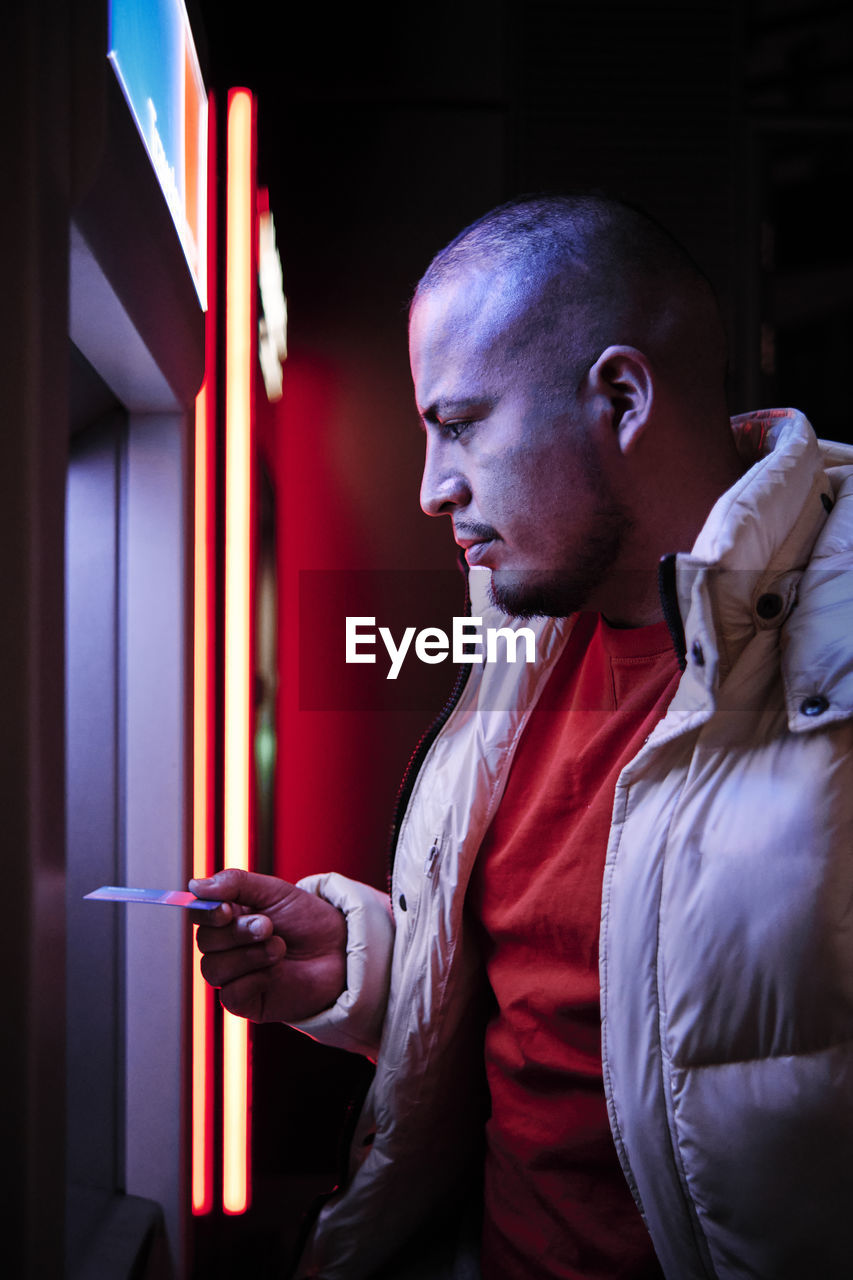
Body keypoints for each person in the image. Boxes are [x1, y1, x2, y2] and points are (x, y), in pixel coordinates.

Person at [190, 194, 853, 1280]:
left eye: (458, 422)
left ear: (622, 397)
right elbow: (597, 992)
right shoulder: (521, 625)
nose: (429, 486)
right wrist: (358, 968)